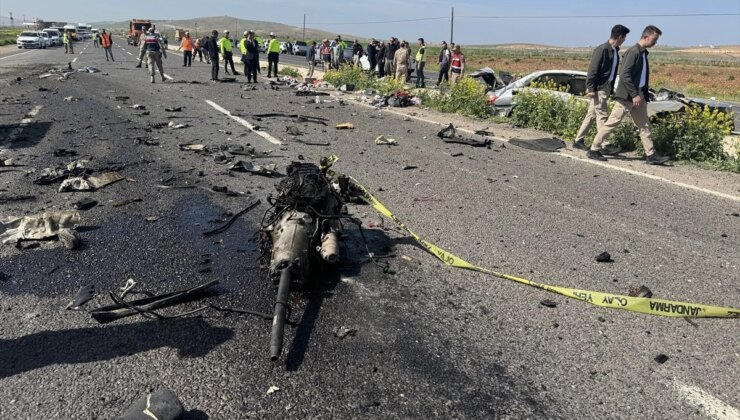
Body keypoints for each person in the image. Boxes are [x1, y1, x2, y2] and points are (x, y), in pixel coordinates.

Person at [589, 25, 669, 164]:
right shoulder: (633, 52)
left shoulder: (642, 53)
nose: (655, 43)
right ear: (645, 37)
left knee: (644, 125)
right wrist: (634, 94)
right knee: (612, 123)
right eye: (654, 39)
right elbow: (625, 75)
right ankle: (594, 149)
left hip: (639, 95)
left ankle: (651, 154)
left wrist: (643, 92)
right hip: (628, 96)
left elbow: (640, 76)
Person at [573, 24, 630, 152]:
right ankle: (604, 144)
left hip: (606, 87)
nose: (625, 40)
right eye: (624, 37)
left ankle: (578, 140)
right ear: (619, 36)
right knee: (602, 115)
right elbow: (592, 70)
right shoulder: (602, 49)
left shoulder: (614, 50)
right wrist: (591, 88)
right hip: (599, 87)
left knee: (592, 114)